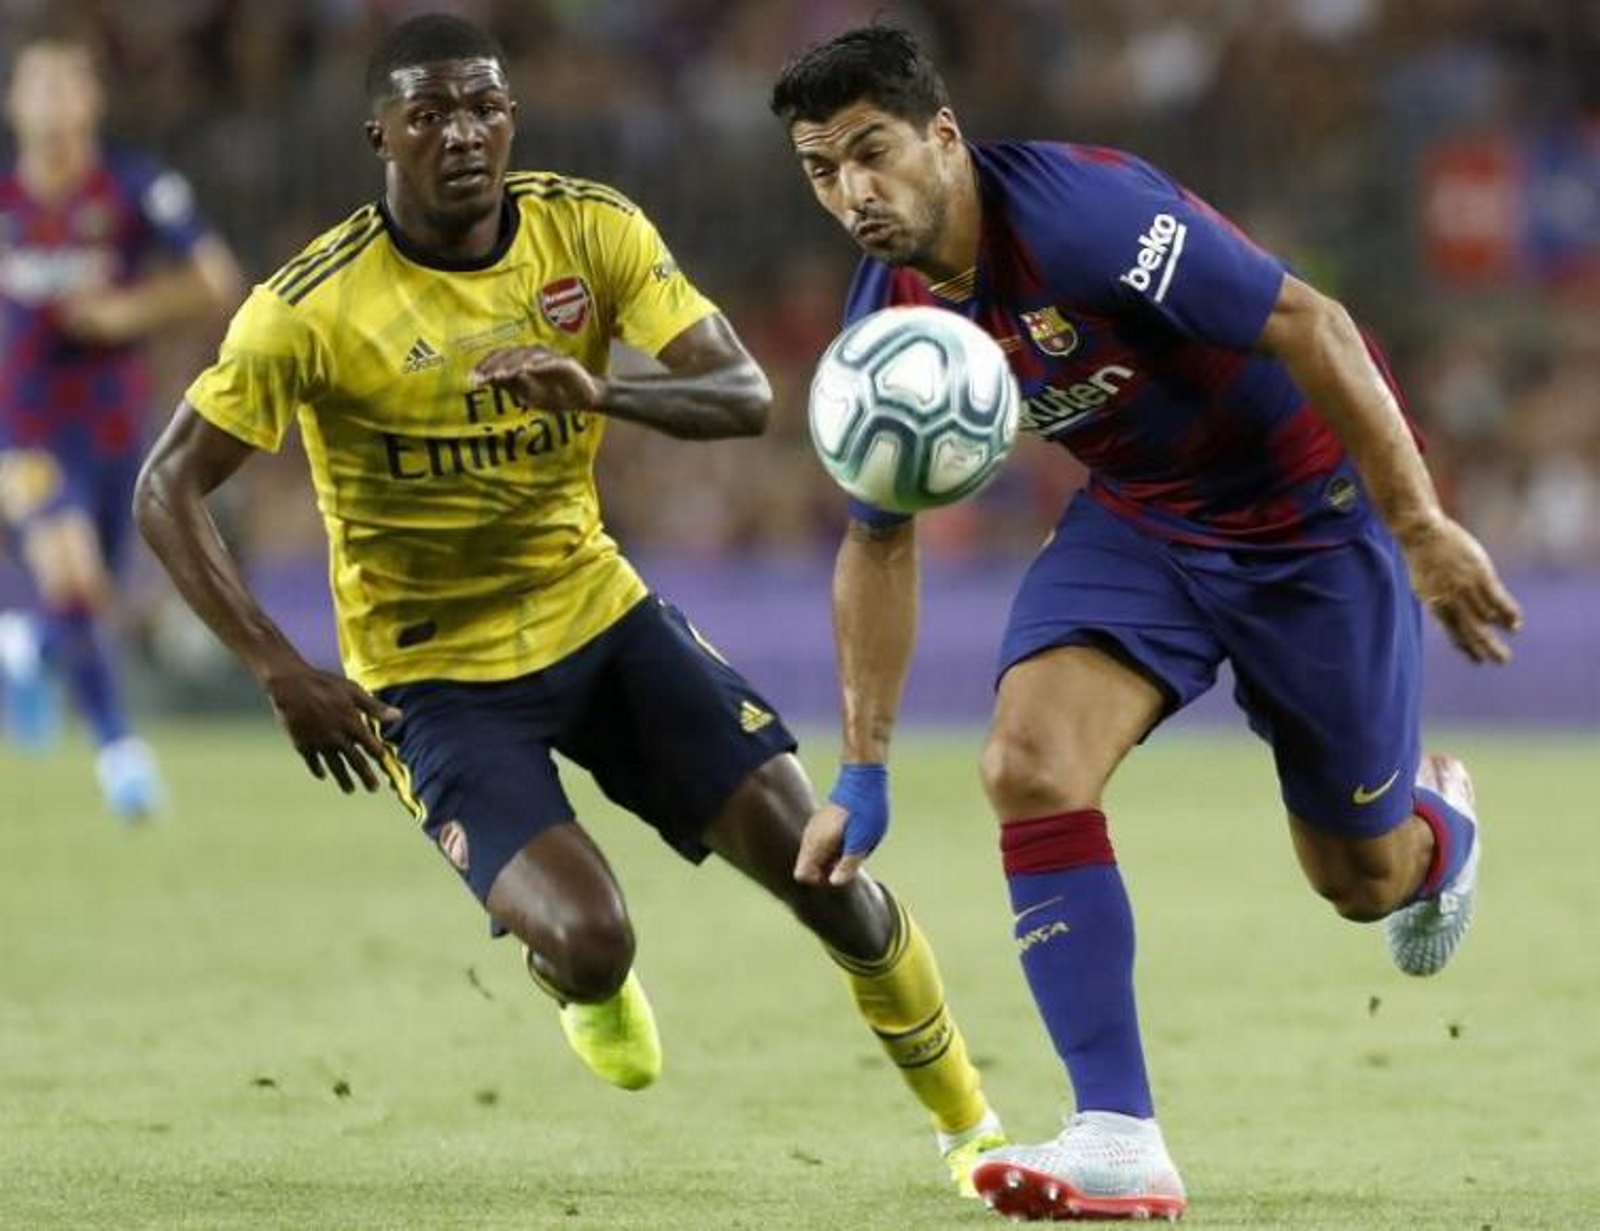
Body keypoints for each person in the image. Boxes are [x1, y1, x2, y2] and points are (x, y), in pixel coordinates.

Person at [134, 13, 1004, 1197]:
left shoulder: (588, 230)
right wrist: (278, 665)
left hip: (598, 614)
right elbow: (166, 486)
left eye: (483, 108)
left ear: (512, 120)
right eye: (429, 113)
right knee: (596, 942)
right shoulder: (310, 307)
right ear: (380, 134)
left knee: (827, 876)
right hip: (433, 676)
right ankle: (577, 976)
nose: (461, 134)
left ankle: (971, 1129)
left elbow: (742, 394)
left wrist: (601, 393)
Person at [771, 25, 1522, 1223]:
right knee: (1026, 763)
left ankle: (1437, 825)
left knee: (1360, 881)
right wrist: (860, 767)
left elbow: (1313, 324)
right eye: (822, 170)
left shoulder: (1086, 216)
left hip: (1306, 516)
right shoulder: (893, 326)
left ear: (942, 137)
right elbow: (877, 537)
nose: (853, 192)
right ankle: (1117, 1134)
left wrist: (1419, 522)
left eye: (873, 152)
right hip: (1145, 519)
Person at [0, 17, 241, 817]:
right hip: (22, 430)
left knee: (90, 592)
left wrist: (124, 310)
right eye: (38, 83)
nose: (53, 98)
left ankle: (25, 643)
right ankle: (120, 754)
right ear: (13, 102)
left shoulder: (135, 187)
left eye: (68, 82)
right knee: (69, 570)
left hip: (109, 431)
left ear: (93, 99)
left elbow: (215, 279)